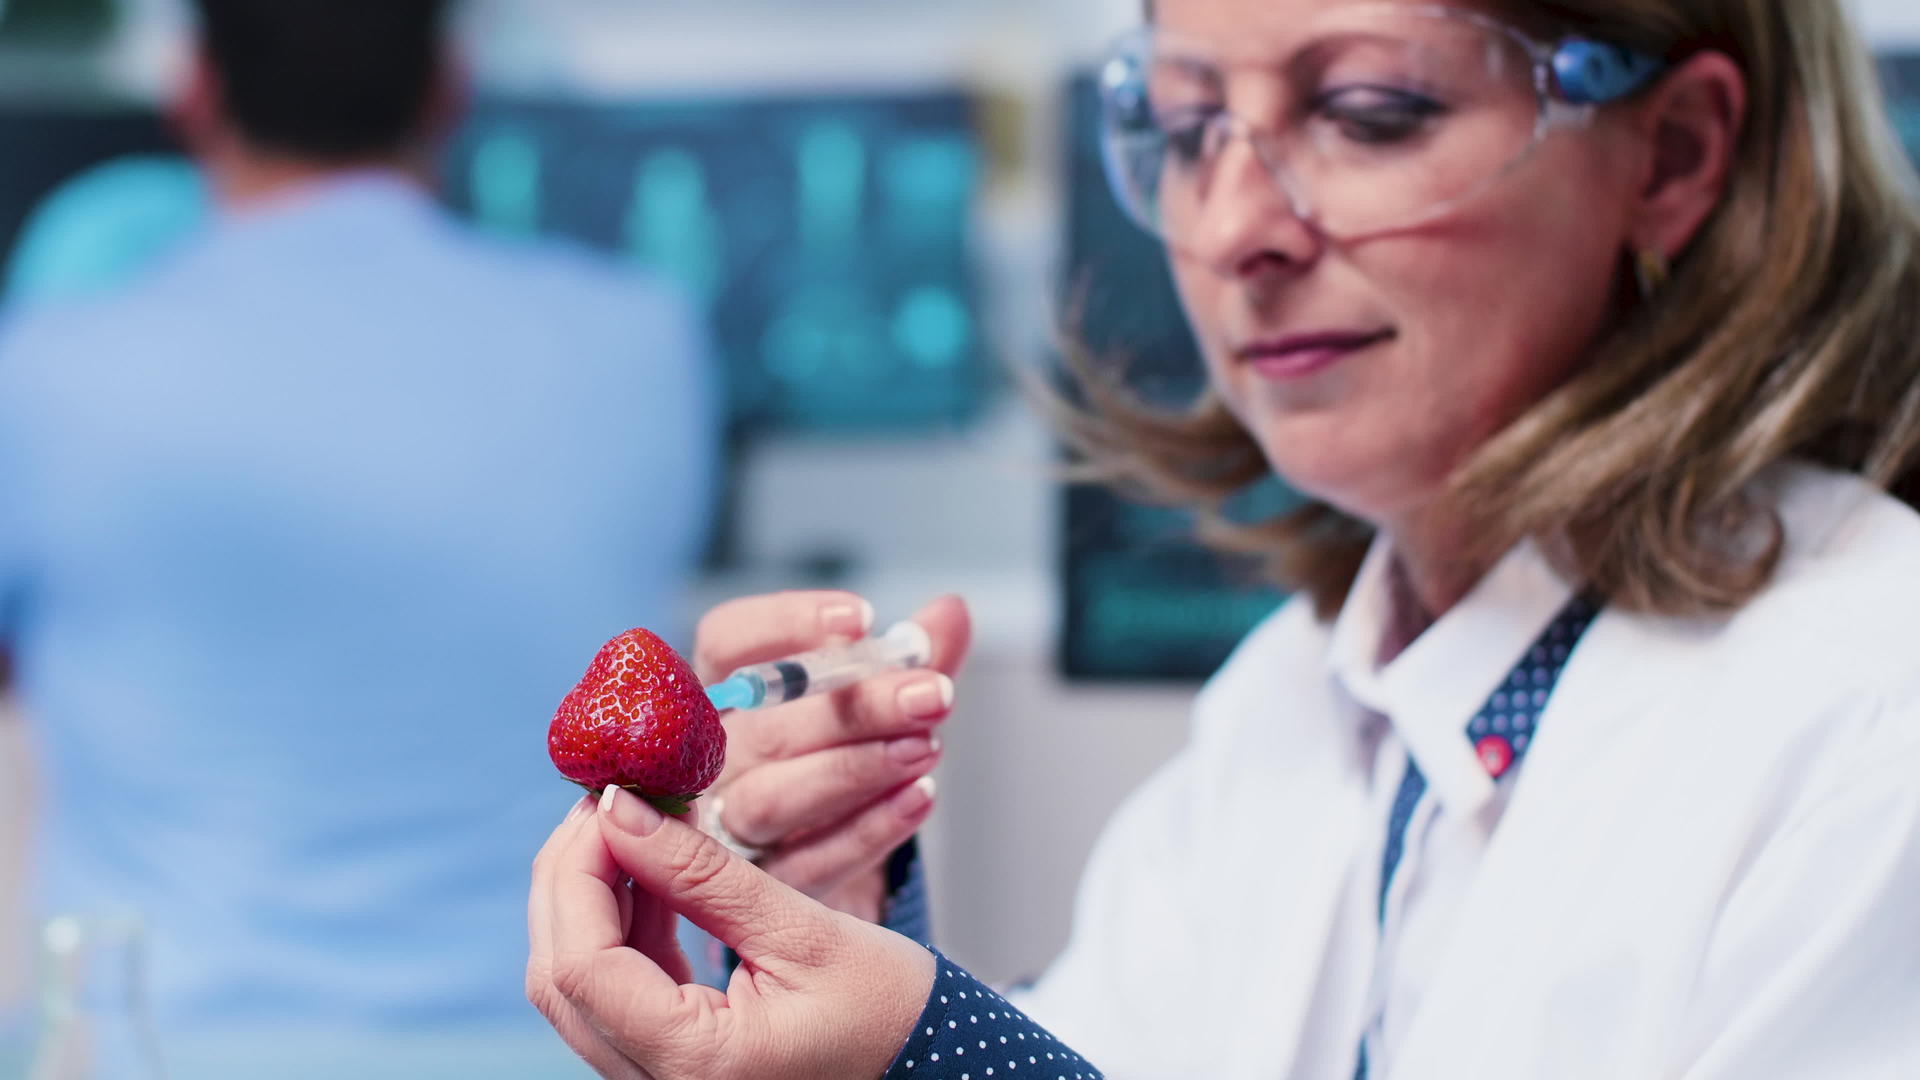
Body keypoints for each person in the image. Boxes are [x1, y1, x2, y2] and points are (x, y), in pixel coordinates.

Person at [526, 0, 1920, 1076]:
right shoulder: (1292, 709)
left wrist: (938, 1052)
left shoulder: (1872, 723)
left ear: (1670, 156)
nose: (1236, 225)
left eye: (1370, 111)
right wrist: (849, 920)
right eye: (1188, 125)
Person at [0, 0, 741, 1038]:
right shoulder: (644, 343)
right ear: (450, 89)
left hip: (157, 1047)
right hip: (571, 1042)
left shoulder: (47, 369)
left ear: (193, 89)